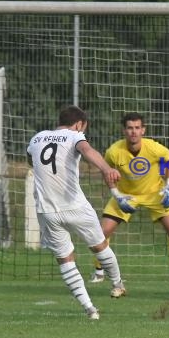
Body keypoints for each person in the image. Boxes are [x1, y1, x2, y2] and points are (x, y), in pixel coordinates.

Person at [26, 105, 126, 320]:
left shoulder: (36, 138)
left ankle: (90, 309)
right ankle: (117, 283)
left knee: (65, 259)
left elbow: (31, 161)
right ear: (79, 124)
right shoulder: (74, 136)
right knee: (100, 246)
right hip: (75, 206)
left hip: (47, 211)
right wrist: (107, 169)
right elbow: (87, 150)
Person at [89, 112, 169, 285]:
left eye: (137, 128)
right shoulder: (114, 151)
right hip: (126, 194)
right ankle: (99, 271)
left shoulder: (152, 147)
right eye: (130, 128)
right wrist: (117, 195)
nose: (134, 132)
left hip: (155, 193)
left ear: (143, 130)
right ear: (124, 130)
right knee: (102, 232)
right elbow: (106, 171)